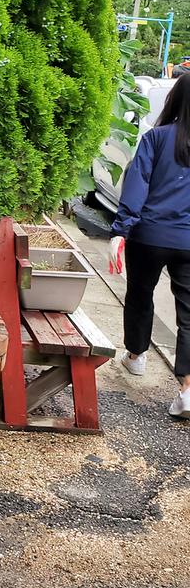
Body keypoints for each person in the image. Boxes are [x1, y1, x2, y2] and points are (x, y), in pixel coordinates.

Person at [109, 70, 190, 420]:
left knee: (140, 294)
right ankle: (188, 390)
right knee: (189, 312)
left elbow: (137, 184)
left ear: (175, 99)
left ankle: (137, 356)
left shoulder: (156, 138)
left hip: (150, 235)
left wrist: (120, 230)